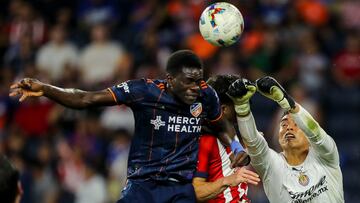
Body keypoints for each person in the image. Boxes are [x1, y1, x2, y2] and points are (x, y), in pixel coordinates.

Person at [9, 50, 247, 203]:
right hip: (141, 187)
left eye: (199, 80)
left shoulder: (207, 95)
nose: (195, 87)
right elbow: (86, 98)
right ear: (170, 79)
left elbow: (221, 125)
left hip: (180, 190)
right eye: (188, 82)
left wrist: (235, 147)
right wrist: (48, 89)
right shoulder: (143, 91)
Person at [227, 76, 344, 203]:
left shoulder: (327, 156)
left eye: (296, 125)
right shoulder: (271, 166)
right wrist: (242, 107)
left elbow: (316, 133)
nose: (289, 128)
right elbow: (253, 143)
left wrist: (286, 102)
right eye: (283, 124)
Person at [192, 75, 260, 203]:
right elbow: (196, 191)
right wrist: (228, 181)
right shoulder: (205, 140)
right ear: (223, 109)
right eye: (238, 104)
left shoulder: (231, 134)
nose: (243, 109)